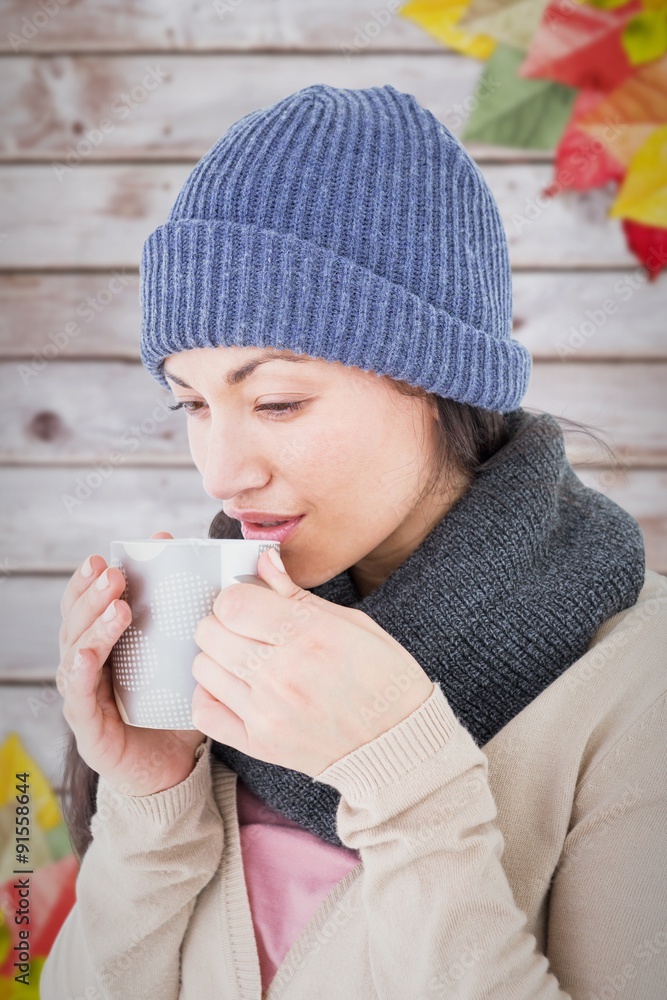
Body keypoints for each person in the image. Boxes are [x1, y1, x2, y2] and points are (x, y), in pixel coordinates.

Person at [42, 84, 667, 999]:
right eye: (191, 403)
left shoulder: (637, 685)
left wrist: (406, 778)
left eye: (278, 402)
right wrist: (151, 800)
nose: (222, 473)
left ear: (436, 377)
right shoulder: (211, 645)